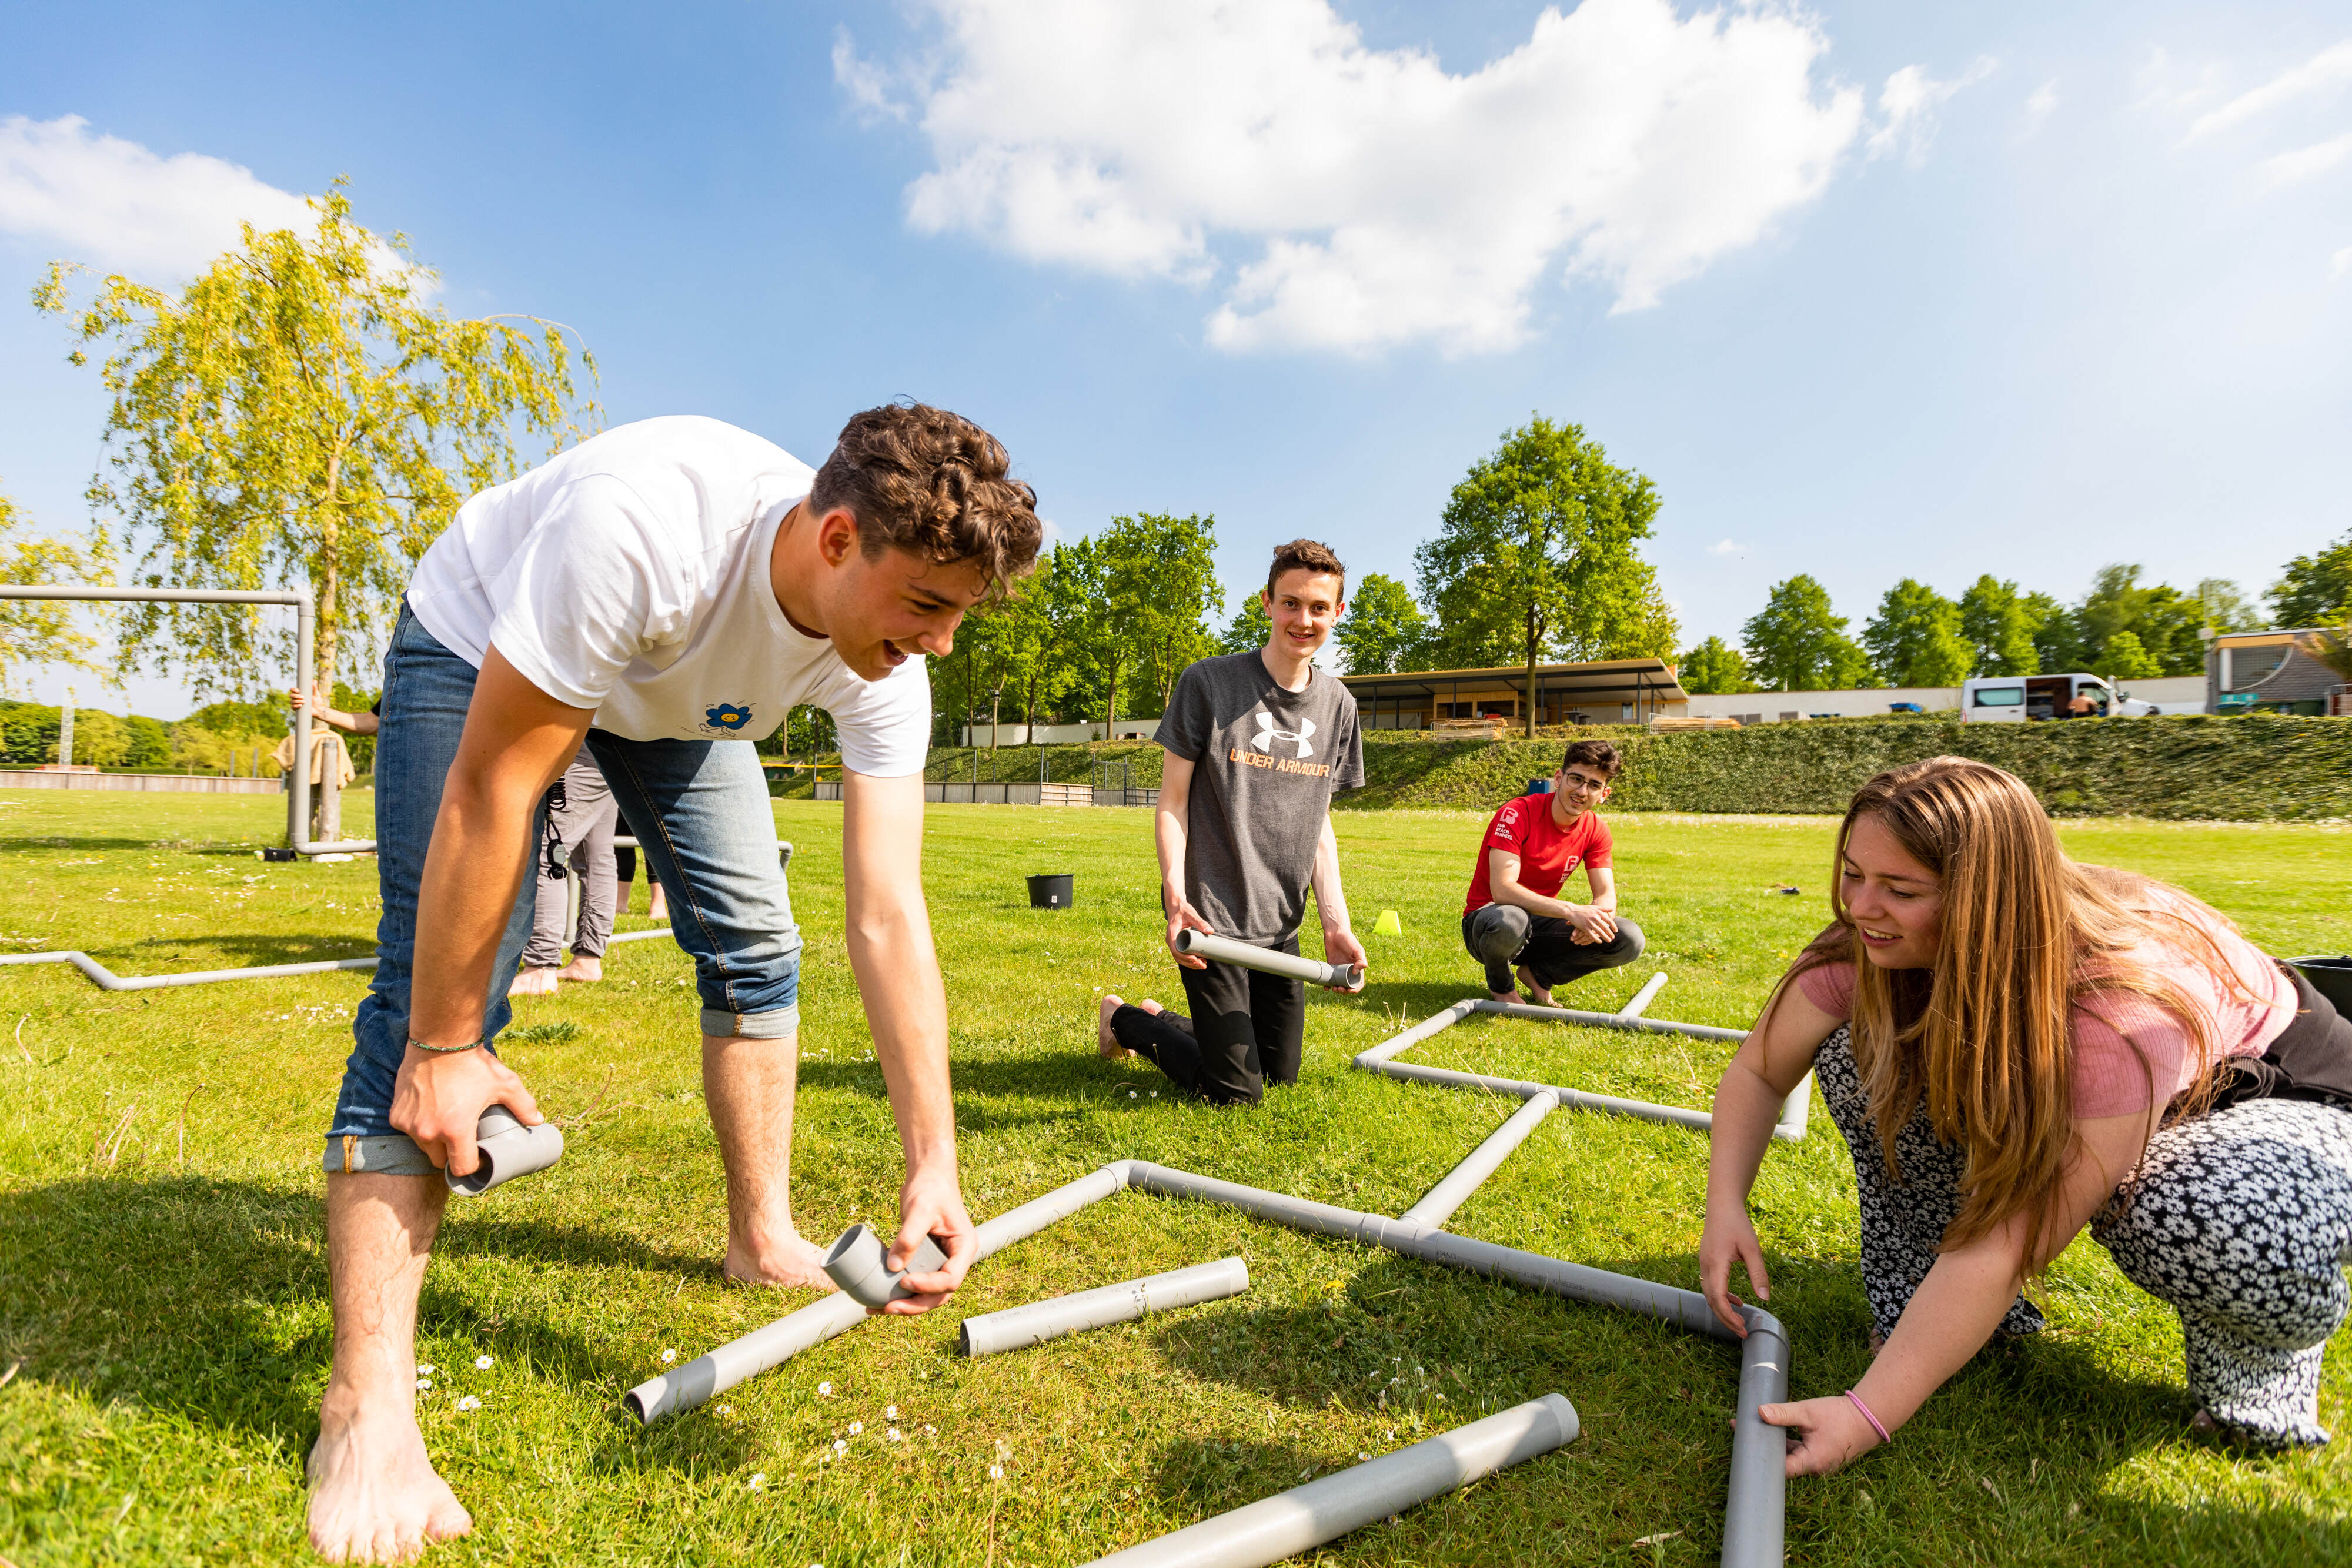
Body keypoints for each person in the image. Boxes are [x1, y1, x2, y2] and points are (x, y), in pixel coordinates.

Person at [306, 406, 1041, 1562]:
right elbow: (494, 792)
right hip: (487, 639)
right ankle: (364, 1413)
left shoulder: (887, 662)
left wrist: (933, 1160)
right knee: (430, 993)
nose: (944, 644)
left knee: (756, 938)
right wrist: (448, 1044)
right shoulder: (641, 531)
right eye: (929, 608)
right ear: (838, 539)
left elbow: (888, 914)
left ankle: (761, 1234)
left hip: (674, 695)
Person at [1699, 755, 2352, 1479]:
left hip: (2267, 1099)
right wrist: (1725, 1204)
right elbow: (1761, 1070)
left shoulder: (2120, 1006)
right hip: (2090, 1066)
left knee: (2196, 1215)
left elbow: (2012, 1236)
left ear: (1985, 900)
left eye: (1900, 889)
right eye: (1853, 874)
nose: (1859, 907)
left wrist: (1866, 1413)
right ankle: (1935, 1309)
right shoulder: (1868, 947)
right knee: (1864, 1056)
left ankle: (2257, 1378)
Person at [1095, 540, 1368, 1105]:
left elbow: (1319, 826)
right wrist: (1176, 897)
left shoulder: (1339, 705)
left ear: (1338, 612)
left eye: (1319, 607)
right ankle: (1123, 1020)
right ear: (1266, 603)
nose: (1303, 619)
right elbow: (1171, 802)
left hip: (1281, 924)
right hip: (1212, 917)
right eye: (1291, 603)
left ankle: (1160, 1016)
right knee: (1235, 1094)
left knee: (1279, 1077)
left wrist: (1334, 924)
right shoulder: (1208, 683)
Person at [1459, 739, 1643, 1004]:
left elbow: (1606, 896)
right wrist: (1572, 911)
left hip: (1538, 923)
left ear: (1604, 794)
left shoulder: (1597, 830)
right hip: (1490, 921)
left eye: (1594, 785)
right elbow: (1502, 890)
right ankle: (1502, 988)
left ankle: (1539, 975)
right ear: (1559, 778)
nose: (1582, 791)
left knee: (1628, 938)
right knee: (1512, 919)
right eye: (1576, 779)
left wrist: (1595, 922)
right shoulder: (1516, 813)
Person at [510, 743, 620, 994]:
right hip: (607, 754)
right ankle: (587, 960)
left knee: (548, 853)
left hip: (579, 756)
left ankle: (540, 968)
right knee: (597, 858)